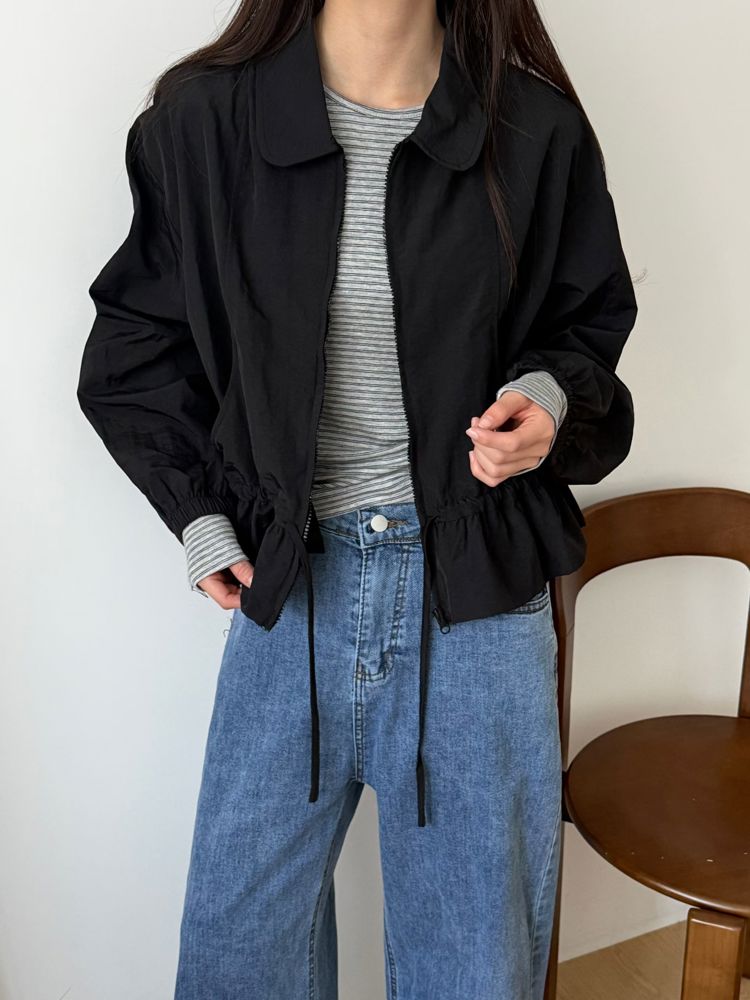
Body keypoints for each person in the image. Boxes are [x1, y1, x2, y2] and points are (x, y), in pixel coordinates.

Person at [76, 0, 638, 996]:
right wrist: (200, 517)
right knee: (238, 960)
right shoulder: (202, 124)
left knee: (475, 971)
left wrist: (548, 401)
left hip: (478, 605)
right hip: (290, 590)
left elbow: (585, 326)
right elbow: (135, 352)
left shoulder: (535, 131)